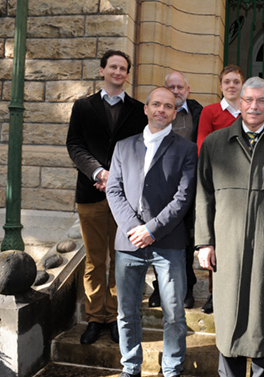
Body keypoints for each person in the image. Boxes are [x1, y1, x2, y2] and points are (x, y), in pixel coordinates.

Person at [194, 77, 264, 377]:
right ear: (239, 103)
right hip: (227, 250)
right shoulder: (215, 143)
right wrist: (204, 242)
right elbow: (203, 195)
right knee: (229, 320)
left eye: (261, 101)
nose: (254, 106)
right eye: (249, 100)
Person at [106, 87, 197, 377]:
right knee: (127, 312)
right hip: (128, 243)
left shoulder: (186, 149)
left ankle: (171, 369)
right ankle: (130, 367)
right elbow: (114, 190)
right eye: (156, 104)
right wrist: (135, 229)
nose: (161, 110)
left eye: (168, 106)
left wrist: (152, 230)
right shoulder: (123, 146)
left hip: (168, 243)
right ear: (145, 109)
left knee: (173, 313)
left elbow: (183, 198)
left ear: (174, 112)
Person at [66, 50, 147, 345]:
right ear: (102, 71)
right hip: (90, 193)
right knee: (94, 260)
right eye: (112, 66)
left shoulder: (139, 110)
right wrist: (99, 173)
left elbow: (142, 149)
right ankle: (94, 317)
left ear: (127, 74)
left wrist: (119, 179)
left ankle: (114, 317)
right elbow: (74, 145)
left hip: (125, 199)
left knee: (122, 258)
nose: (117, 72)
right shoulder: (83, 107)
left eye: (122, 68)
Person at [147, 71, 203, 309]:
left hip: (190, 187)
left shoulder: (199, 113)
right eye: (172, 87)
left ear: (188, 90)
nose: (177, 91)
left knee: (187, 241)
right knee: (159, 237)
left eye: (180, 87)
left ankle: (186, 288)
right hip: (161, 186)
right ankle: (159, 288)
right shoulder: (158, 114)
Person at [195, 64, 245, 314]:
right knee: (217, 241)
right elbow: (203, 145)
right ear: (221, 85)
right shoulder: (210, 112)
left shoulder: (249, 111)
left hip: (246, 185)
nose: (232, 86)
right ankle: (215, 294)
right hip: (218, 185)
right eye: (227, 82)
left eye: (236, 81)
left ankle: (239, 295)